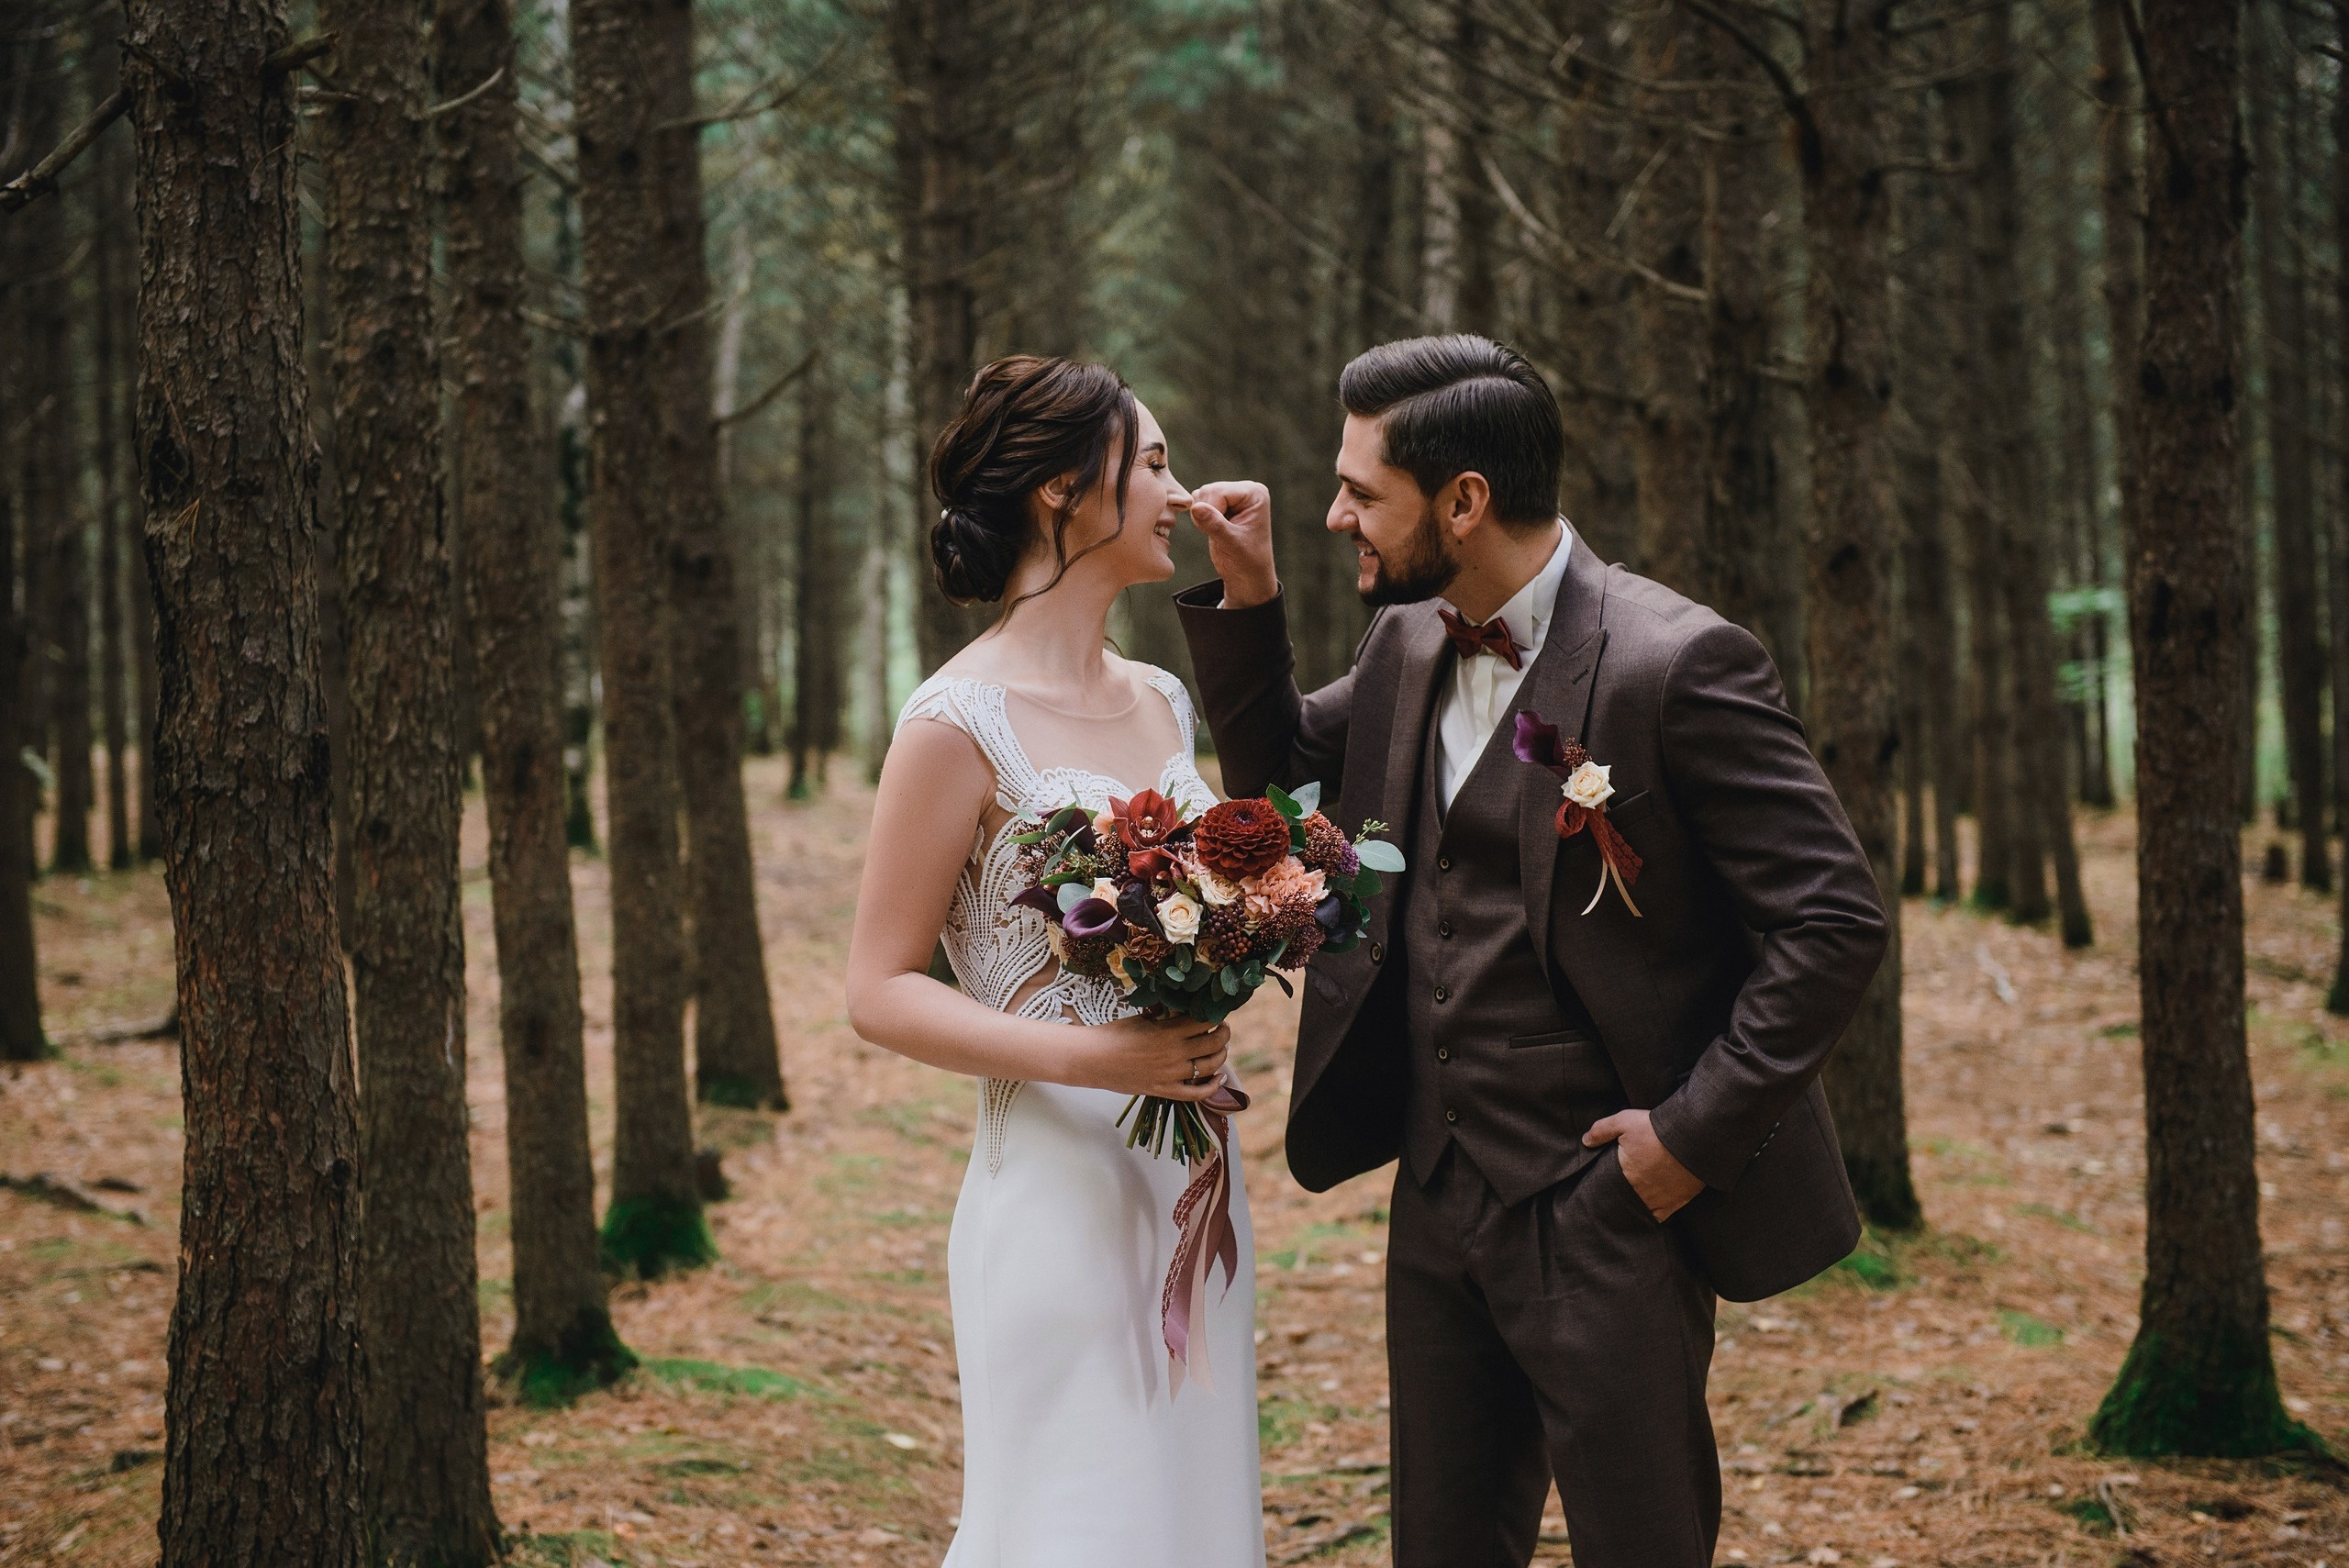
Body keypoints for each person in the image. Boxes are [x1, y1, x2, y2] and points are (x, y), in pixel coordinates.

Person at [1176, 334, 1888, 1567]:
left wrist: (1688, 1140)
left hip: (1609, 1203)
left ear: (1465, 501)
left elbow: (1833, 919)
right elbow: (1286, 783)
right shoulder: (1408, 640)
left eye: (1361, 493)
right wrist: (1249, 594)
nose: (1337, 516)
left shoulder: (1676, 662)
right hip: (1437, 1191)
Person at [845, 356, 1264, 1568]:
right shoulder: (953, 722)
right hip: (1054, 1190)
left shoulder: (1164, 700)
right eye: (1154, 463)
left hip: (1192, 1178)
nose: (1177, 493)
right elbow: (878, 990)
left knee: (1190, 1520)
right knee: (1078, 1525)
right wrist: (1103, 1058)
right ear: (1063, 491)